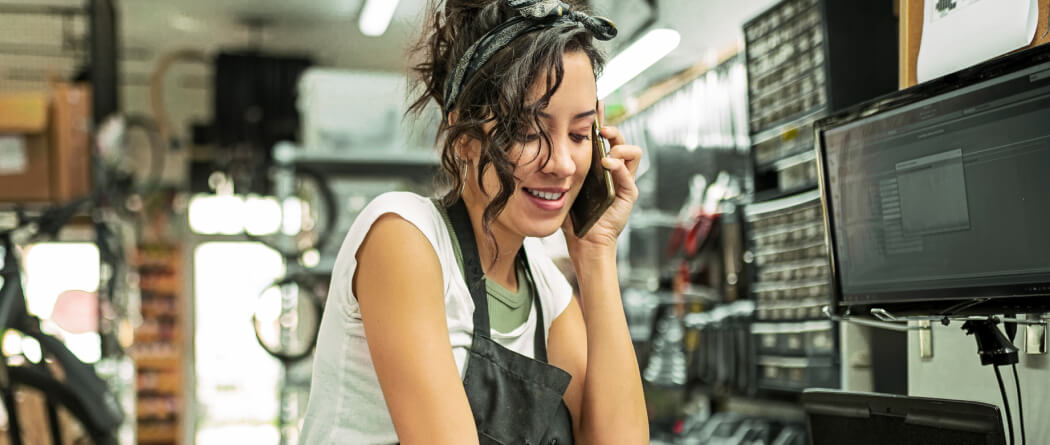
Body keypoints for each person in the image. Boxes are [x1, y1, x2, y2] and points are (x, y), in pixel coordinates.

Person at [299, 0, 648, 443]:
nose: (562, 162)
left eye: (580, 135)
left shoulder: (546, 291)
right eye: (527, 133)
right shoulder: (404, 237)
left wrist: (596, 252)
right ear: (465, 139)